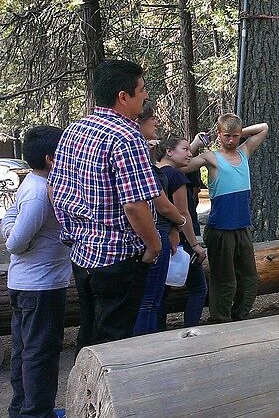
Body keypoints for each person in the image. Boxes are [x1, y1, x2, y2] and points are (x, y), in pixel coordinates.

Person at [49, 59, 161, 352]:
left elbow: (54, 188)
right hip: (117, 259)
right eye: (142, 90)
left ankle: (81, 396)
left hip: (82, 255)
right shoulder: (127, 136)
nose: (146, 95)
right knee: (115, 345)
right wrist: (154, 245)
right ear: (123, 97)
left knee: (89, 337)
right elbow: (135, 205)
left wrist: (73, 231)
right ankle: (106, 398)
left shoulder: (74, 129)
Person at [2, 126, 67, 418]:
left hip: (28, 284)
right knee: (39, 354)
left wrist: (9, 229)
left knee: (25, 351)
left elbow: (10, 223)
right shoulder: (40, 193)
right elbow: (16, 242)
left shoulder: (32, 184)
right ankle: (36, 412)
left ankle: (22, 409)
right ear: (52, 158)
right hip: (40, 287)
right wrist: (10, 231)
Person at [181, 113, 269, 323]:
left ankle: (239, 316)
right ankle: (220, 319)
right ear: (219, 134)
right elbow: (179, 165)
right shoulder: (211, 157)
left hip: (242, 227)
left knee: (249, 280)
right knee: (224, 281)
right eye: (226, 135)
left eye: (235, 136)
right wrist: (197, 142)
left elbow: (264, 127)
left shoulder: (244, 151)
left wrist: (239, 131)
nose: (231, 140)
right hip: (221, 229)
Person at [133, 103, 190, 335]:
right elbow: (160, 204)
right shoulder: (152, 167)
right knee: (148, 303)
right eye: (152, 117)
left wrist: (173, 230)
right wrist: (180, 224)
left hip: (162, 236)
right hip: (152, 240)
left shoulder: (152, 163)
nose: (157, 121)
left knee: (153, 301)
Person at [158, 136, 208, 328]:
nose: (190, 154)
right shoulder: (176, 177)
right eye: (185, 149)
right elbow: (183, 212)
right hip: (183, 241)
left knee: (161, 291)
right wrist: (195, 245)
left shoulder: (155, 173)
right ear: (169, 151)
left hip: (162, 237)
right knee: (198, 289)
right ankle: (191, 331)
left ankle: (158, 331)